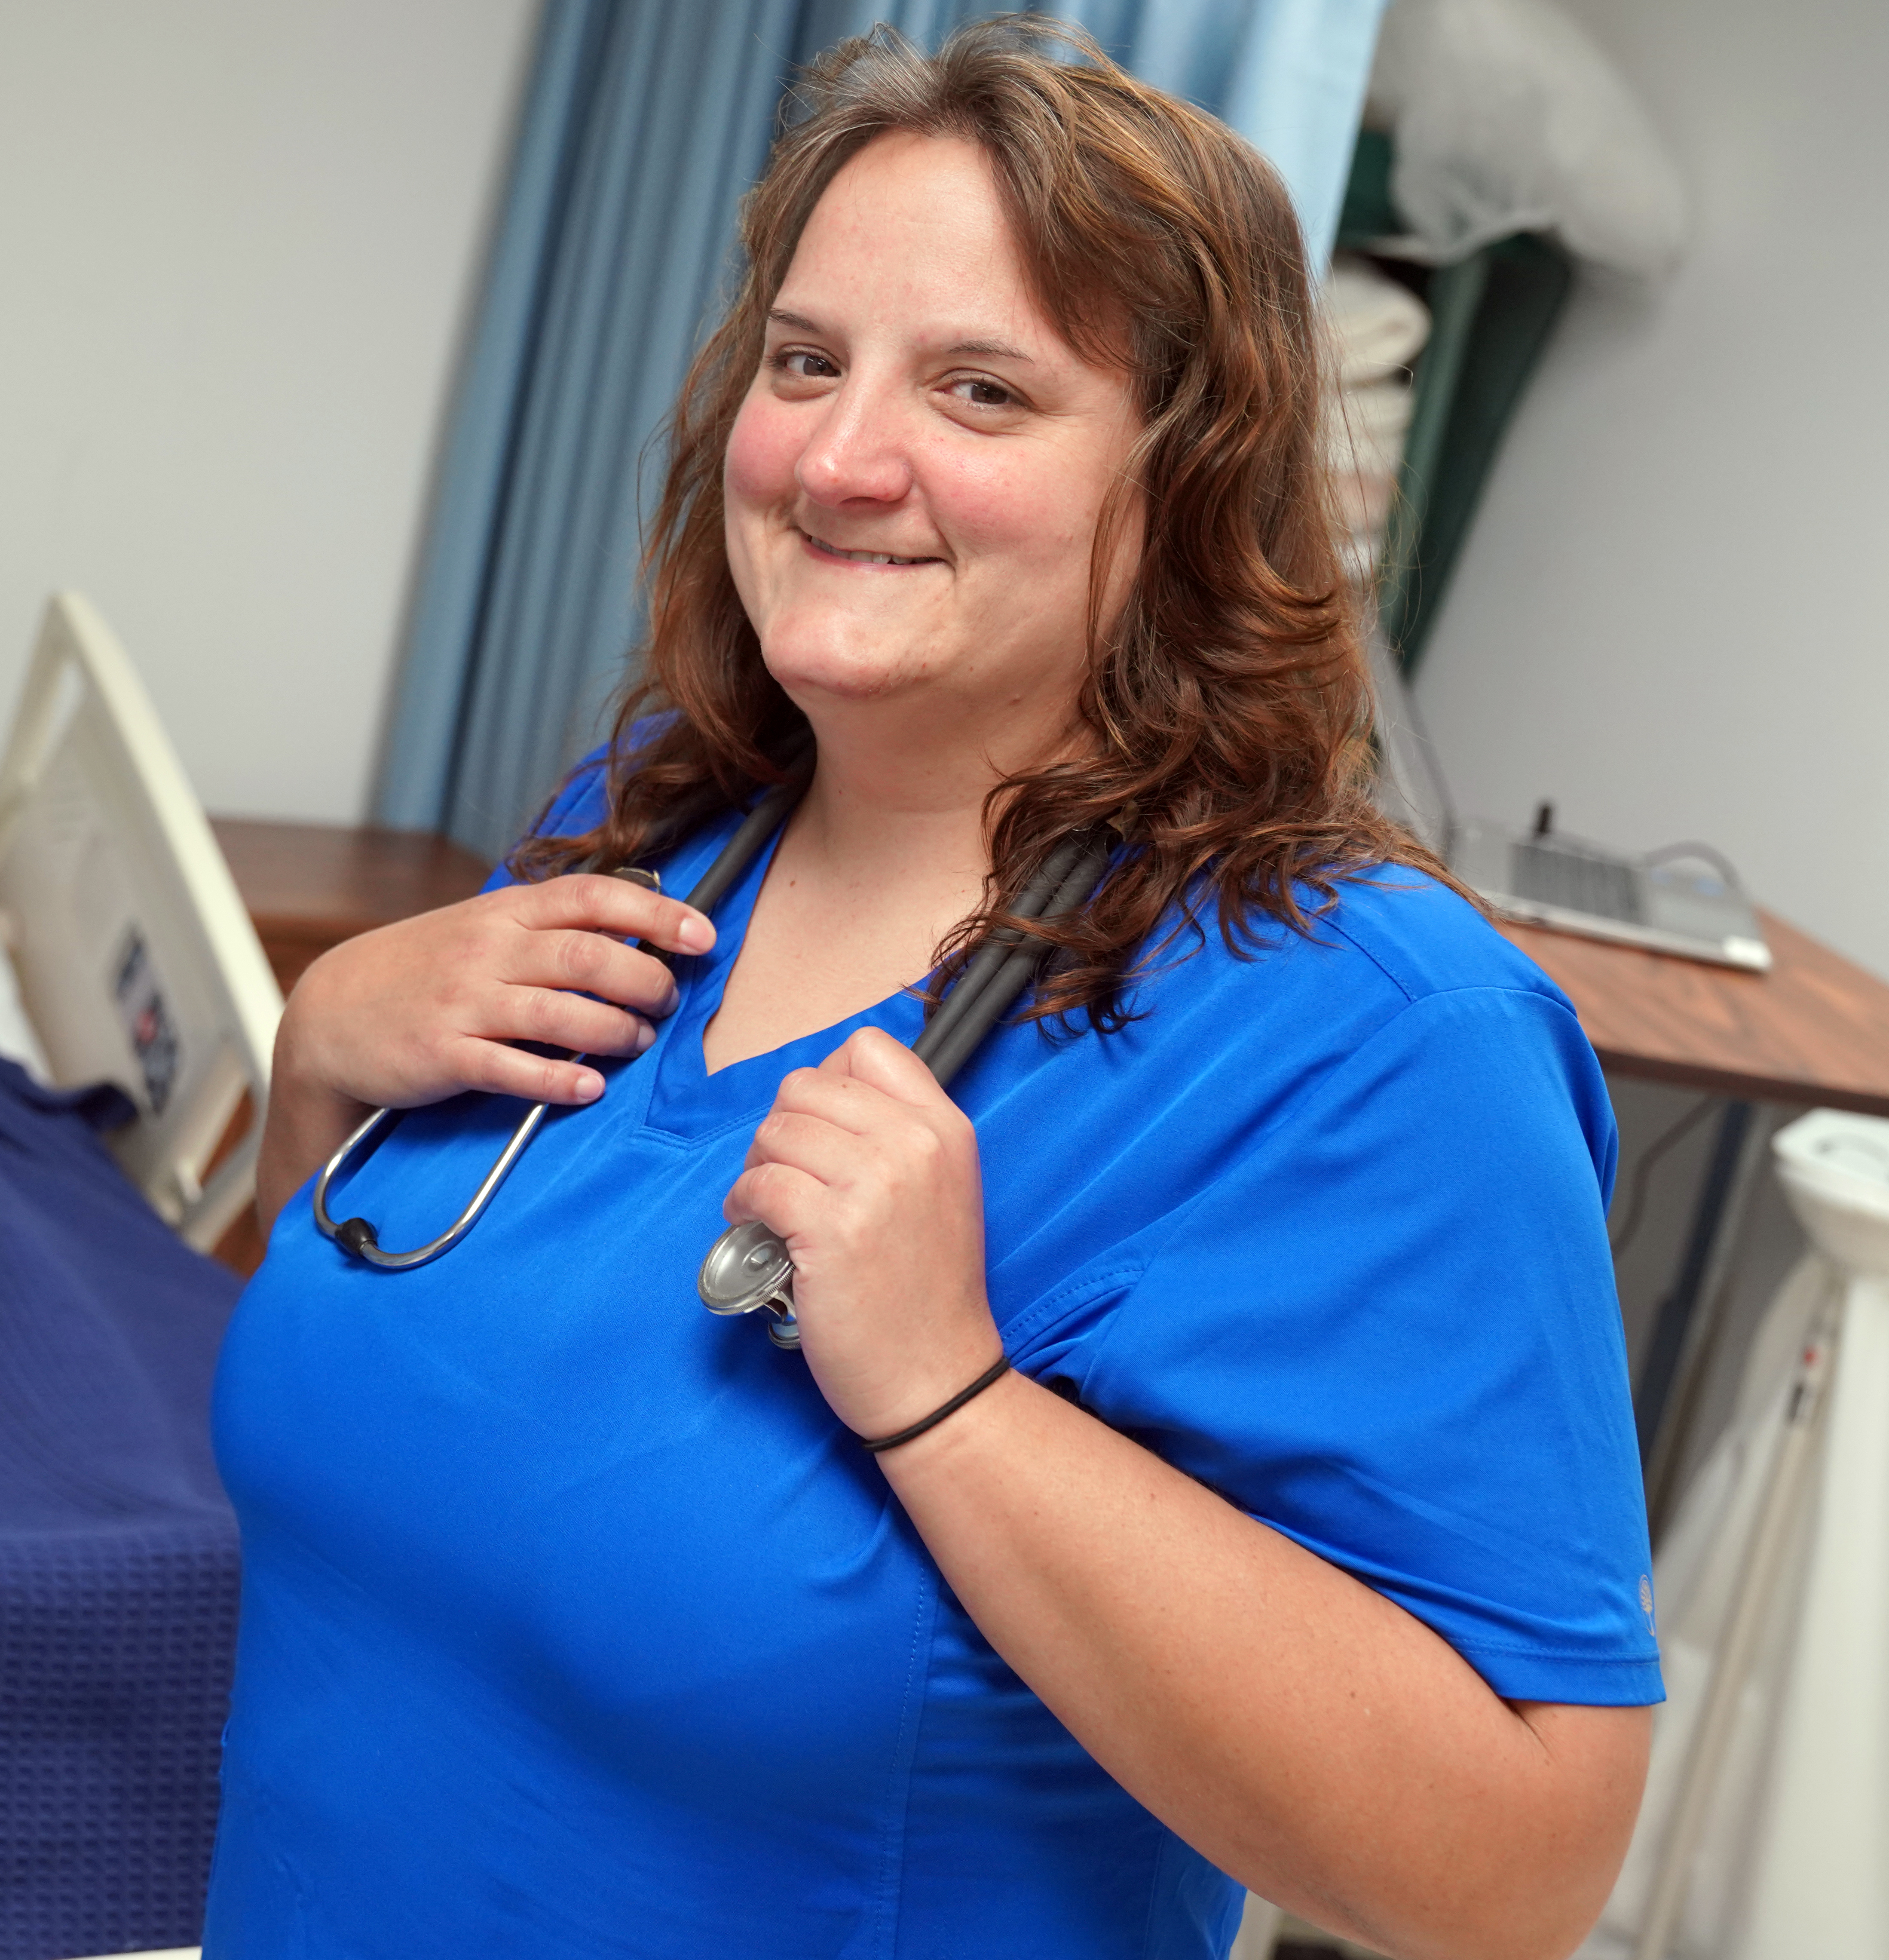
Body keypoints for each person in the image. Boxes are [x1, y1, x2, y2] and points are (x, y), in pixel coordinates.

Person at [205, 21, 1655, 1960]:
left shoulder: (1368, 1032)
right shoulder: (643, 837)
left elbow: (1512, 1874)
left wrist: (952, 1400)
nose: (834, 456)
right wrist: (311, 1078)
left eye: (979, 389)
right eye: (803, 363)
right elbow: (357, 1395)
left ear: (1182, 486)